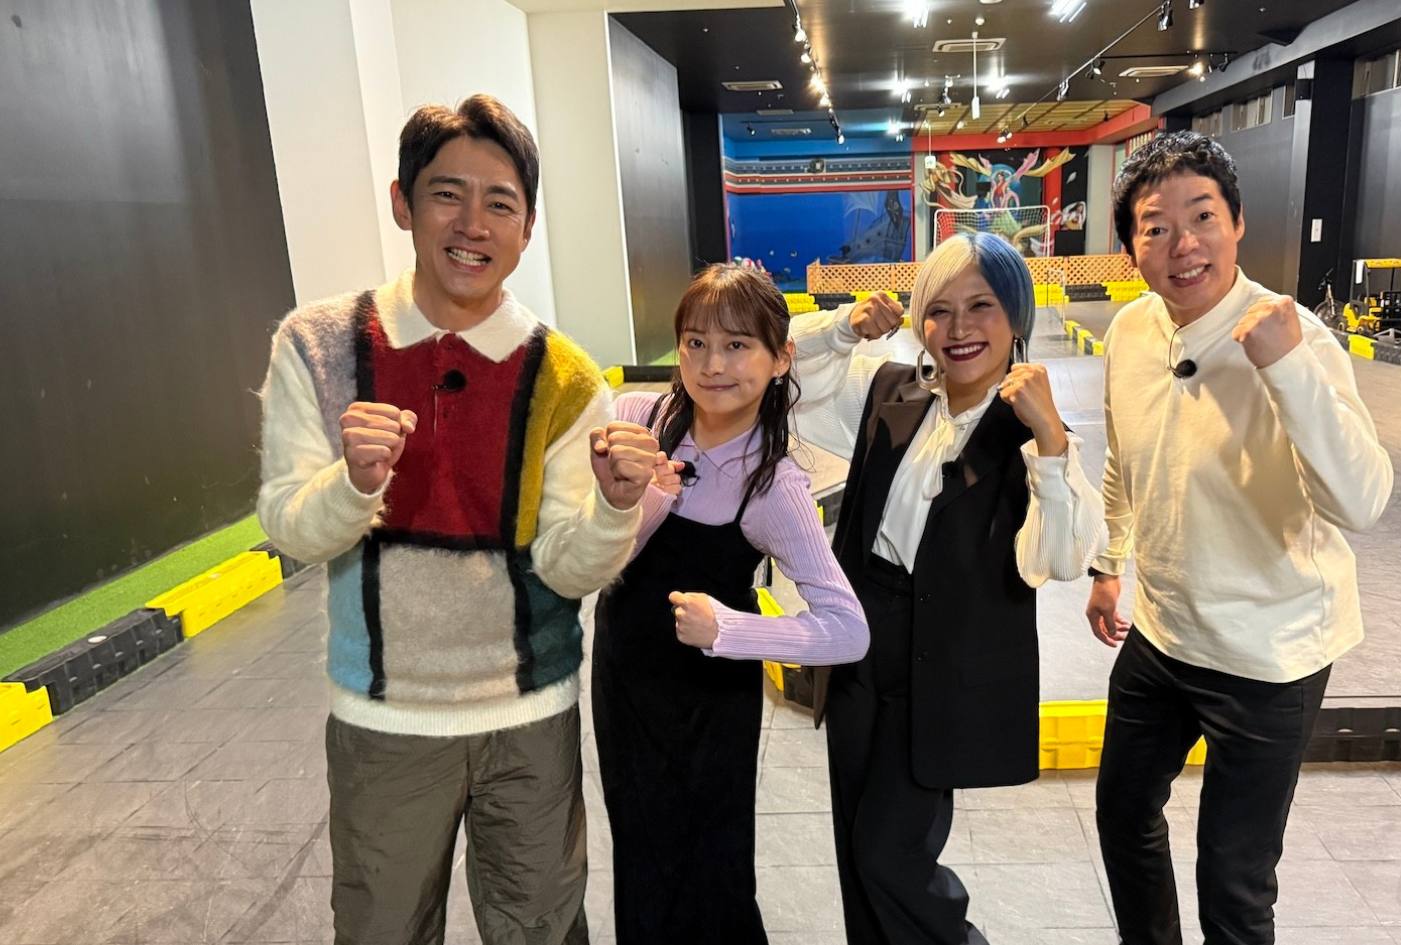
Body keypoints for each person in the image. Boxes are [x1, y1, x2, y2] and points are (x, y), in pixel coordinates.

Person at [257, 94, 656, 944]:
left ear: (528, 226)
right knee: (382, 928)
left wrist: (616, 507)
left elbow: (566, 568)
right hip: (385, 720)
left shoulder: (565, 376)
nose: (473, 224)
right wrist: (353, 484)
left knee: (542, 927)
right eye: (447, 193)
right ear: (402, 202)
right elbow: (287, 524)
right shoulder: (320, 345)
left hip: (530, 715)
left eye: (500, 203)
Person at [1086, 131, 1394, 945]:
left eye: (1203, 217)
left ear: (1238, 223)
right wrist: (1107, 563)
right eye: (1156, 227)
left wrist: (1285, 367)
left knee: (1233, 879)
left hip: (1271, 652)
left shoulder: (1298, 339)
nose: (1183, 245)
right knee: (1122, 814)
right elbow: (1122, 456)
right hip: (1163, 633)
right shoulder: (1130, 331)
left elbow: (1361, 500)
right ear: (1132, 248)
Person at [790, 232, 1107, 945]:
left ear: (1016, 316)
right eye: (939, 309)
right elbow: (782, 375)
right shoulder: (890, 392)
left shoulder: (1032, 437)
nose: (959, 328)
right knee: (854, 850)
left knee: (889, 854)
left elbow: (1057, 560)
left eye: (981, 306)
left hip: (942, 664)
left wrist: (1049, 439)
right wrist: (841, 330)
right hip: (859, 641)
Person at [592, 264, 869, 945]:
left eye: (737, 345)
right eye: (696, 343)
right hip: (625, 681)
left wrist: (731, 630)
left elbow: (848, 629)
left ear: (781, 358)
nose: (712, 365)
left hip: (709, 705)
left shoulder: (773, 483)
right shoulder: (634, 421)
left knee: (710, 867)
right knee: (641, 853)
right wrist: (637, 501)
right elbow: (588, 560)